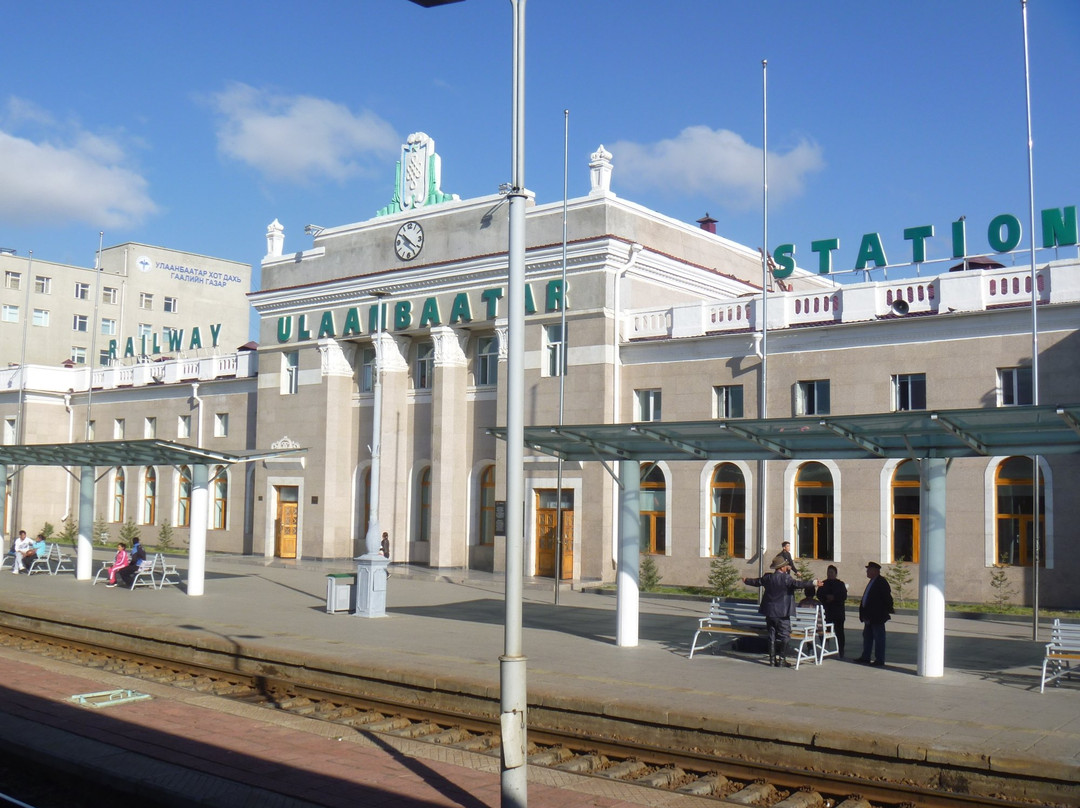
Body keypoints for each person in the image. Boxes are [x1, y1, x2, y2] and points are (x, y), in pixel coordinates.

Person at [743, 554, 818, 667]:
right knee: (785, 635)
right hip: (782, 613)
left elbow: (757, 582)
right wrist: (814, 583)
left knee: (771, 634)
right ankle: (782, 659)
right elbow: (798, 584)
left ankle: (772, 660)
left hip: (770, 612)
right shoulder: (786, 578)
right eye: (786, 565)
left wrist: (746, 580)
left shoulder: (768, 578)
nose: (787, 566)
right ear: (782, 567)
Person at [856, 561, 893, 666]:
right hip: (869, 616)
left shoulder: (881, 582)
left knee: (879, 638)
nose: (867, 571)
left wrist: (886, 611)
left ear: (875, 571)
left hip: (877, 616)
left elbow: (887, 599)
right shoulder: (872, 581)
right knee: (867, 637)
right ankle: (865, 657)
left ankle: (879, 659)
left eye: (869, 569)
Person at [816, 564, 848, 657]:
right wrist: (826, 597)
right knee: (825, 631)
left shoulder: (840, 584)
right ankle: (825, 648)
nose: (829, 574)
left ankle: (841, 650)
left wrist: (834, 598)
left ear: (836, 574)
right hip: (827, 612)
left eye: (831, 572)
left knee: (839, 632)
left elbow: (843, 596)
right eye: (828, 572)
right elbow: (819, 594)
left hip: (838, 612)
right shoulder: (823, 583)